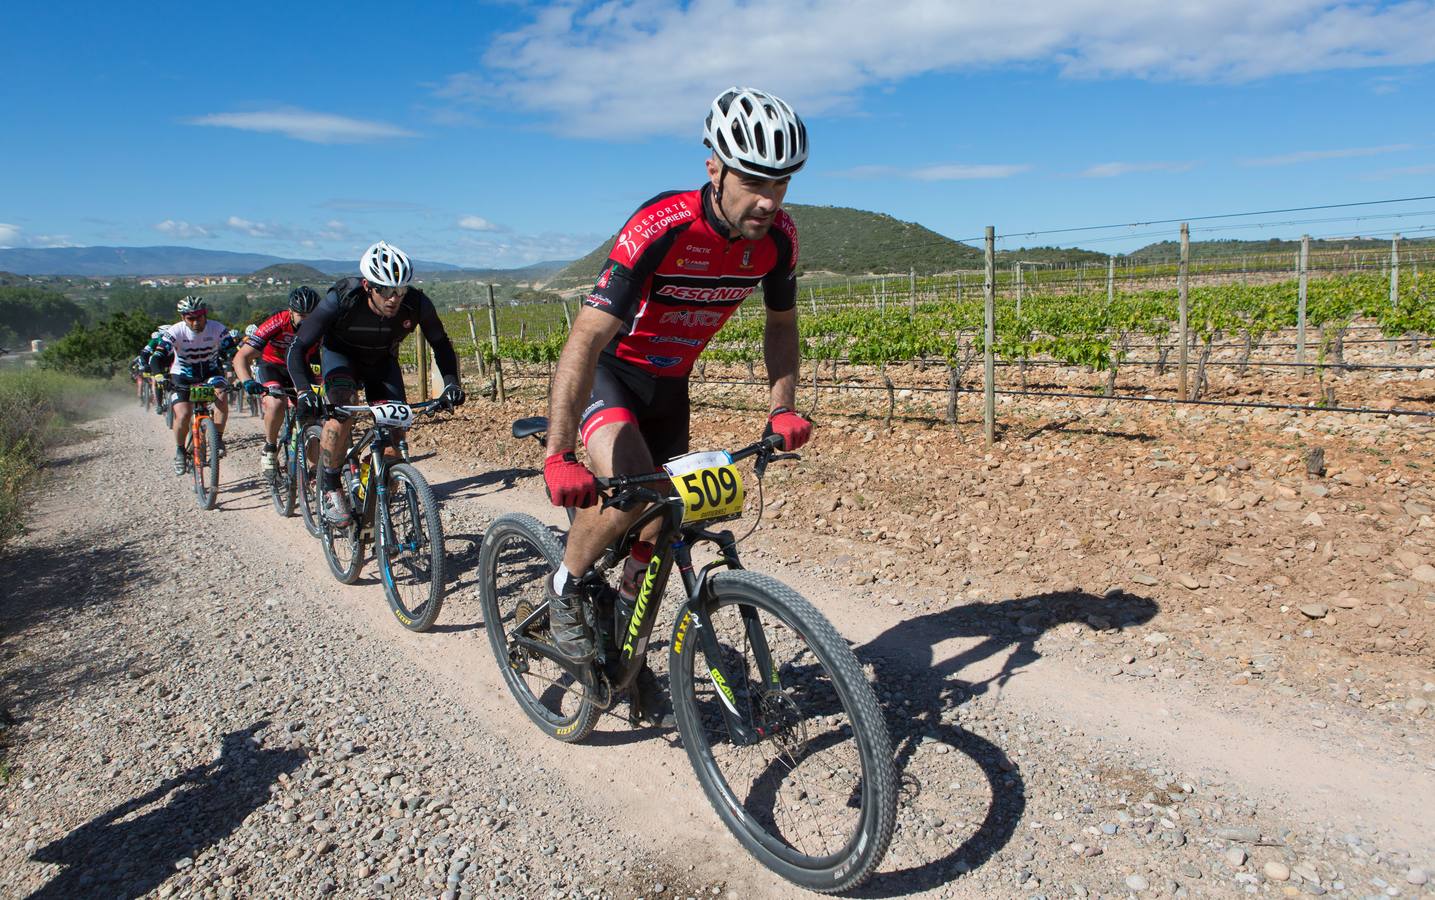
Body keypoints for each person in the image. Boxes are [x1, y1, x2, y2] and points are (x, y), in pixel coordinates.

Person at [540, 87, 815, 687]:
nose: (768, 201)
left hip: (670, 387)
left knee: (664, 523)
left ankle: (626, 652)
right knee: (637, 495)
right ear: (714, 168)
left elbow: (782, 325)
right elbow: (584, 340)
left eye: (782, 184)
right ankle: (564, 588)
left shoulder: (779, 241)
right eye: (753, 181)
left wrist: (782, 407)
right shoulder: (661, 227)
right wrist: (559, 453)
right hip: (611, 375)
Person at [286, 241, 465, 526]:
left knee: (395, 441)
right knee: (342, 412)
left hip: (381, 362)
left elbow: (441, 344)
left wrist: (451, 383)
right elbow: (297, 348)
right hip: (341, 357)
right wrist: (304, 391)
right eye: (385, 290)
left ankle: (369, 489)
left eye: (400, 290)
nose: (394, 298)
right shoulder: (342, 298)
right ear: (369, 286)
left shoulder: (416, 304)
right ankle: (331, 487)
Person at [234, 287, 321, 475]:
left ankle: (315, 474)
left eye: (310, 315)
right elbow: (241, 357)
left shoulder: (320, 325)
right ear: (290, 312)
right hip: (272, 367)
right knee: (275, 403)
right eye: (301, 315)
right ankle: (270, 446)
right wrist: (246, 381)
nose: (306, 320)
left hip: (300, 369)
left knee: (313, 416)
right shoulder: (277, 322)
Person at [149, 297, 238, 474]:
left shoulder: (218, 329)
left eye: (199, 317)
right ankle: (180, 450)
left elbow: (233, 352)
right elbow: (157, 356)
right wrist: (159, 375)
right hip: (182, 375)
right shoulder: (175, 332)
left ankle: (217, 439)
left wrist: (237, 372)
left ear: (205, 314)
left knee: (221, 394)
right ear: (183, 318)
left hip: (210, 373)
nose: (196, 322)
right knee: (183, 414)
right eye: (191, 318)